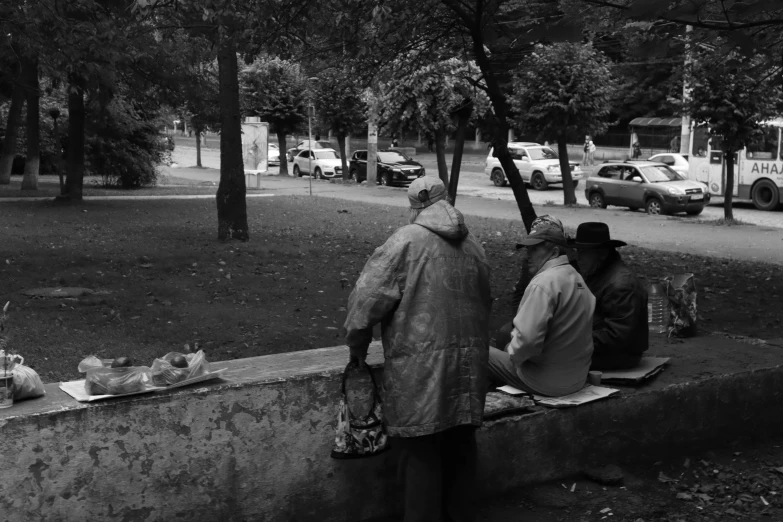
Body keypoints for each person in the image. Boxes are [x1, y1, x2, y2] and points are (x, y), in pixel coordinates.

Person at [344, 177, 492, 522]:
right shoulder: (475, 246)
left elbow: (365, 302)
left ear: (413, 207)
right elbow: (486, 300)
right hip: (470, 367)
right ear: (447, 199)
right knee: (461, 448)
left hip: (420, 371)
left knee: (419, 453)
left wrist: (357, 348)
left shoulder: (405, 242)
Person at [488, 216, 595, 397]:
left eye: (535, 248)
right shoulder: (576, 278)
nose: (528, 254)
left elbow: (527, 343)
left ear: (554, 252)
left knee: (475, 351)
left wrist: (510, 352)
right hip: (576, 378)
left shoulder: (544, 283)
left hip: (546, 382)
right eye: (528, 248)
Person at [568, 222, 648, 371]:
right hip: (597, 346)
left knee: (550, 359)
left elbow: (616, 336)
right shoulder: (596, 272)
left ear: (602, 253)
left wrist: (571, 340)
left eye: (584, 252)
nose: (578, 258)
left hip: (619, 356)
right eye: (577, 251)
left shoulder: (621, 284)